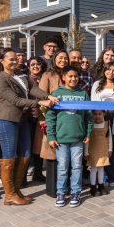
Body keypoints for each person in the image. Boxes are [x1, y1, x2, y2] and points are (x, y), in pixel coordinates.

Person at [0, 49, 56, 206]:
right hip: (7, 120)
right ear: (2, 61)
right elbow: (15, 100)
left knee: (26, 154)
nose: (15, 61)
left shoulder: (21, 74)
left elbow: (32, 89)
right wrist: (39, 103)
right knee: (9, 156)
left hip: (22, 119)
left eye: (16, 58)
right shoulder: (0, 79)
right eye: (11, 59)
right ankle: (9, 194)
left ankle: (16, 189)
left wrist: (47, 96)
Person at [45, 66, 93, 208]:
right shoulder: (56, 93)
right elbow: (50, 117)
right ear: (64, 78)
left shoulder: (83, 94)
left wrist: (88, 133)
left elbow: (89, 115)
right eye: (70, 76)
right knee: (62, 168)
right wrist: (51, 136)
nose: (73, 79)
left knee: (77, 167)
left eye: (76, 76)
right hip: (61, 140)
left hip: (78, 138)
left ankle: (75, 192)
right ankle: (61, 192)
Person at [90, 62, 114, 187]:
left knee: (110, 150)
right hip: (100, 120)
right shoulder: (97, 84)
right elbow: (94, 102)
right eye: (108, 70)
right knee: (101, 149)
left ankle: (113, 176)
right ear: (104, 71)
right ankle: (104, 175)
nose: (111, 73)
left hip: (113, 120)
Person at [27, 56, 47, 184]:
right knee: (27, 146)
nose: (35, 66)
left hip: (42, 116)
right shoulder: (26, 79)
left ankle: (38, 173)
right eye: (32, 64)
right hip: (28, 116)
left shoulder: (45, 79)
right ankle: (23, 175)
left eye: (38, 64)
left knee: (39, 146)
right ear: (28, 67)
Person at [85, 110, 112, 197]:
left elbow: (109, 138)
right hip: (92, 150)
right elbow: (86, 140)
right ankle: (93, 187)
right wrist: (86, 152)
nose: (97, 116)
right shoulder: (90, 124)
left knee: (101, 168)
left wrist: (110, 149)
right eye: (95, 114)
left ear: (103, 114)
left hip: (103, 149)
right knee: (93, 169)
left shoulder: (107, 124)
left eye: (100, 114)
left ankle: (101, 185)